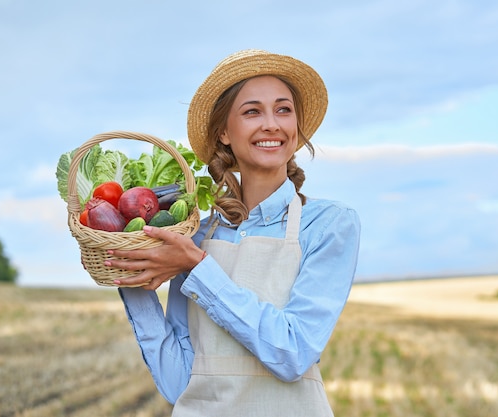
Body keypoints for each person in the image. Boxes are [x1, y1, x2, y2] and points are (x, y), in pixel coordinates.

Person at [105, 49, 361, 416]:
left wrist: (198, 268)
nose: (272, 124)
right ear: (224, 133)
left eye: (283, 110)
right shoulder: (195, 234)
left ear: (296, 128)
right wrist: (129, 268)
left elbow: (294, 352)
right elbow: (181, 383)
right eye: (253, 111)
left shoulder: (328, 224)